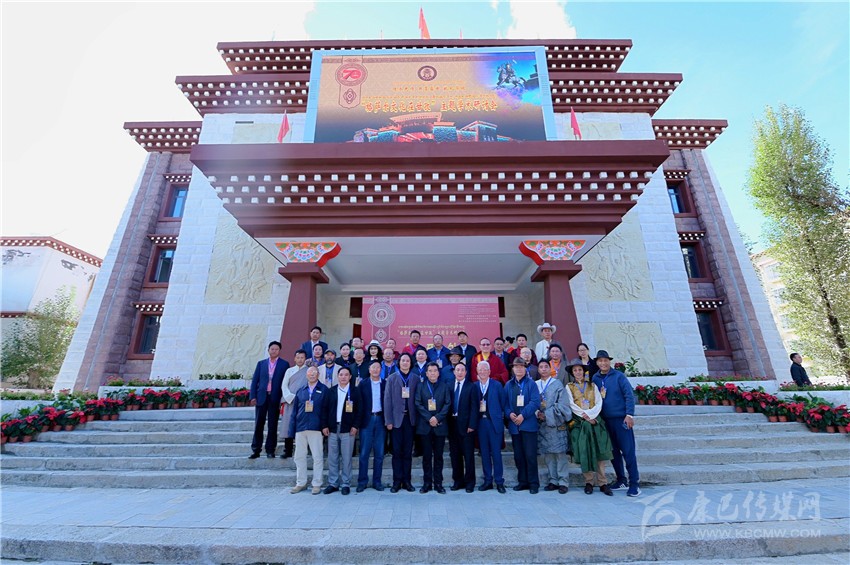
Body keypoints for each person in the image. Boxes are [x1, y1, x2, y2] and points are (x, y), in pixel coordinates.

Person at [592, 350, 640, 497]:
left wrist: (629, 415)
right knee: (613, 453)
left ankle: (634, 484)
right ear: (597, 363)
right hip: (606, 421)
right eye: (600, 361)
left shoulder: (619, 376)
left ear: (609, 361)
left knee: (628, 451)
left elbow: (629, 395)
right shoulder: (595, 378)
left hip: (621, 420)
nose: (603, 363)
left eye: (605, 360)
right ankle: (621, 479)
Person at [564, 358, 613, 496]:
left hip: (595, 420)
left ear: (584, 371)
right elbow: (571, 404)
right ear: (572, 373)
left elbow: (599, 402)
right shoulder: (569, 387)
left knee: (599, 451)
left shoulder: (592, 385)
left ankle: (602, 482)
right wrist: (585, 416)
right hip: (579, 422)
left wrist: (591, 415)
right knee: (584, 451)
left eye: (580, 369)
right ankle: (589, 481)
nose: (578, 372)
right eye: (575, 370)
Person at [289, 366, 329, 494]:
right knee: (299, 456)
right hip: (301, 427)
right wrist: (292, 429)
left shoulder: (324, 390)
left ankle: (317, 484)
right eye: (310, 372)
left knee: (317, 457)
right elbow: (294, 411)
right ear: (306, 375)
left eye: (314, 372)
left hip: (316, 427)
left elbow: (326, 410)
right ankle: (301, 483)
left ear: (318, 374)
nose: (312, 374)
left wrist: (324, 426)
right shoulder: (301, 390)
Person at [534, 359, 571, 494]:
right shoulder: (535, 385)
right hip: (542, 425)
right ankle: (553, 480)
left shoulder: (557, 384)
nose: (543, 369)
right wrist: (537, 413)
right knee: (548, 453)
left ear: (550, 369)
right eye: (541, 367)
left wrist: (547, 414)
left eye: (546, 366)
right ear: (538, 370)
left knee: (560, 453)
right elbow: (532, 402)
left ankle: (563, 481)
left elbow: (563, 404)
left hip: (556, 422)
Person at [505, 357, 541, 493]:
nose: (519, 369)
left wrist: (523, 415)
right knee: (518, 456)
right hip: (515, 426)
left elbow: (535, 402)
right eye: (516, 366)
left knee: (530, 455)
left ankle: (533, 483)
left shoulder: (531, 384)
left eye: (521, 366)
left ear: (525, 368)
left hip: (528, 425)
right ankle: (523, 481)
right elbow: (505, 403)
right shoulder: (508, 385)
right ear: (512, 369)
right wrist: (509, 413)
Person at [322, 366, 361, 495]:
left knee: (346, 457)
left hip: (348, 429)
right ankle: (333, 483)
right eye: (341, 375)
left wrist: (355, 426)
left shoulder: (355, 392)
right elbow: (325, 409)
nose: (343, 377)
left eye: (346, 375)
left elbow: (359, 411)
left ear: (350, 377)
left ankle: (345, 483)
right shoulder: (331, 391)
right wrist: (324, 425)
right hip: (332, 429)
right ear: (337, 376)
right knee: (332, 457)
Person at [248, 341, 290, 459]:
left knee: (272, 425)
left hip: (275, 398)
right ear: (268, 350)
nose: (274, 351)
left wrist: (283, 398)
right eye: (272, 349)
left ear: (279, 351)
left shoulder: (284, 364)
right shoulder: (261, 364)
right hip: (262, 397)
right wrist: (253, 396)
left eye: (276, 349)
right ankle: (256, 450)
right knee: (258, 424)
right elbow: (255, 381)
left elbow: (286, 382)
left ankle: (270, 450)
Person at [414, 362, 451, 493]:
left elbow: (447, 404)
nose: (433, 373)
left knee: (439, 457)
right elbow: (418, 403)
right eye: (430, 371)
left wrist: (437, 418)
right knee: (426, 457)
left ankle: (439, 483)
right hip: (425, 426)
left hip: (440, 426)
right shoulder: (420, 386)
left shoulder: (444, 386)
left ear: (438, 373)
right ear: (426, 373)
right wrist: (429, 418)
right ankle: (427, 483)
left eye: (435, 370)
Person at [384, 352, 418, 492]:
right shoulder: (392, 378)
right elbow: (387, 400)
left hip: (410, 420)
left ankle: (407, 481)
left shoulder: (415, 378)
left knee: (407, 452)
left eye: (407, 361)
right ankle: (397, 482)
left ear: (411, 363)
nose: (405, 363)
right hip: (396, 420)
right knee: (397, 452)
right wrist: (388, 420)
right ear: (399, 363)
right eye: (403, 360)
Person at [472, 360, 507, 493]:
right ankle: (487, 480)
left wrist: (500, 417)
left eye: (485, 369)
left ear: (489, 371)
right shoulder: (474, 386)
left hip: (494, 423)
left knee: (496, 453)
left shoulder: (497, 385)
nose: (482, 372)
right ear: (477, 371)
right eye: (480, 369)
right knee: (484, 453)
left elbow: (503, 403)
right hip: (481, 423)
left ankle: (499, 481)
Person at [356, 361, 387, 492]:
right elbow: (358, 404)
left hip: (380, 419)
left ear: (381, 369)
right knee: (364, 453)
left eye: (378, 367)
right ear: (369, 370)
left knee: (379, 453)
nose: (375, 370)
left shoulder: (385, 383)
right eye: (373, 367)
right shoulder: (363, 384)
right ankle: (362, 481)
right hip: (367, 420)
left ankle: (377, 481)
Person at [447, 362, 478, 492]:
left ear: (466, 372)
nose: (459, 372)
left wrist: (472, 424)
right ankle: (457, 481)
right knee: (455, 456)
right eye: (457, 370)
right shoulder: (449, 385)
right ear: (454, 372)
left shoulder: (471, 386)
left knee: (468, 456)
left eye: (462, 370)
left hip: (466, 427)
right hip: (452, 426)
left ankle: (470, 483)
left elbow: (474, 407)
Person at [280, 349, 308, 459]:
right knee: (288, 425)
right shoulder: (289, 371)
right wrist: (289, 397)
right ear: (294, 359)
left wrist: (302, 398)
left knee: (301, 426)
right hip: (290, 401)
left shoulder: (308, 371)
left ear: (305, 359)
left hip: (303, 402)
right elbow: (284, 385)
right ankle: (288, 450)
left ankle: (300, 451)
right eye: (298, 357)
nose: (300, 359)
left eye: (302, 357)